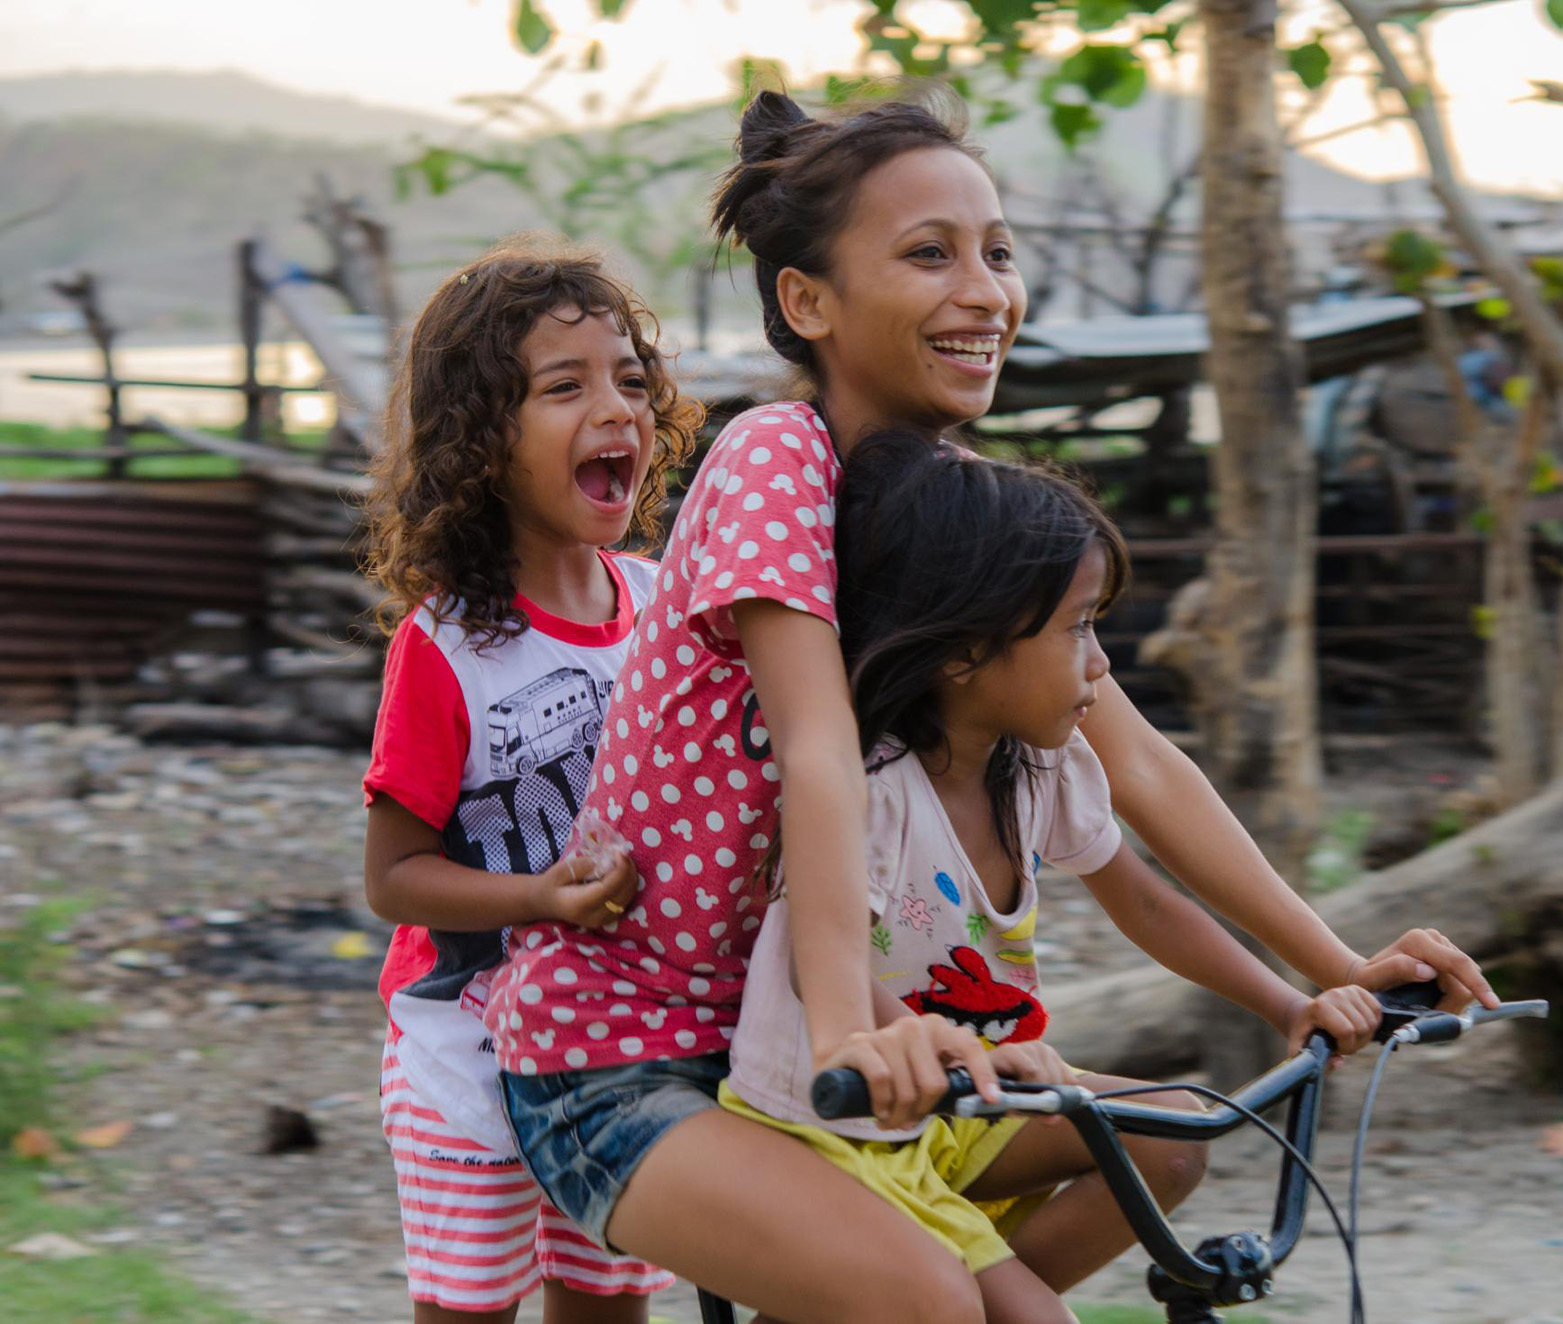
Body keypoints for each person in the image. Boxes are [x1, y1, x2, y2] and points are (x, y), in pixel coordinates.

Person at [482, 90, 1496, 1324]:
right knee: (929, 1304)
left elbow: (1139, 763)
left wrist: (1337, 965)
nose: (985, 291)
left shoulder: (955, 500)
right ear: (807, 302)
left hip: (814, 1038)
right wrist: (853, 1027)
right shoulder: (775, 461)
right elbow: (813, 748)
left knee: (1155, 1147)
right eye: (928, 254)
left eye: (997, 252)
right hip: (629, 1054)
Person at [721, 430, 1390, 1323]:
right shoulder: (873, 793)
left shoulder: (1041, 766)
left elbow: (1148, 902)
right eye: (1077, 628)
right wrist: (959, 1050)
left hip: (970, 1103)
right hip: (841, 1126)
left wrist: (1289, 1003)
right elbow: (818, 966)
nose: (1102, 663)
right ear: (963, 653)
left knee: (1173, 1137)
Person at [360, 238, 701, 1323]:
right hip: (465, 1061)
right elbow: (396, 878)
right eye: (565, 387)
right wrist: (535, 896)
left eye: (631, 382)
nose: (616, 410)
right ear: (482, 441)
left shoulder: (663, 608)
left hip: (620, 1055)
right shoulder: (448, 646)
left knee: (607, 1308)